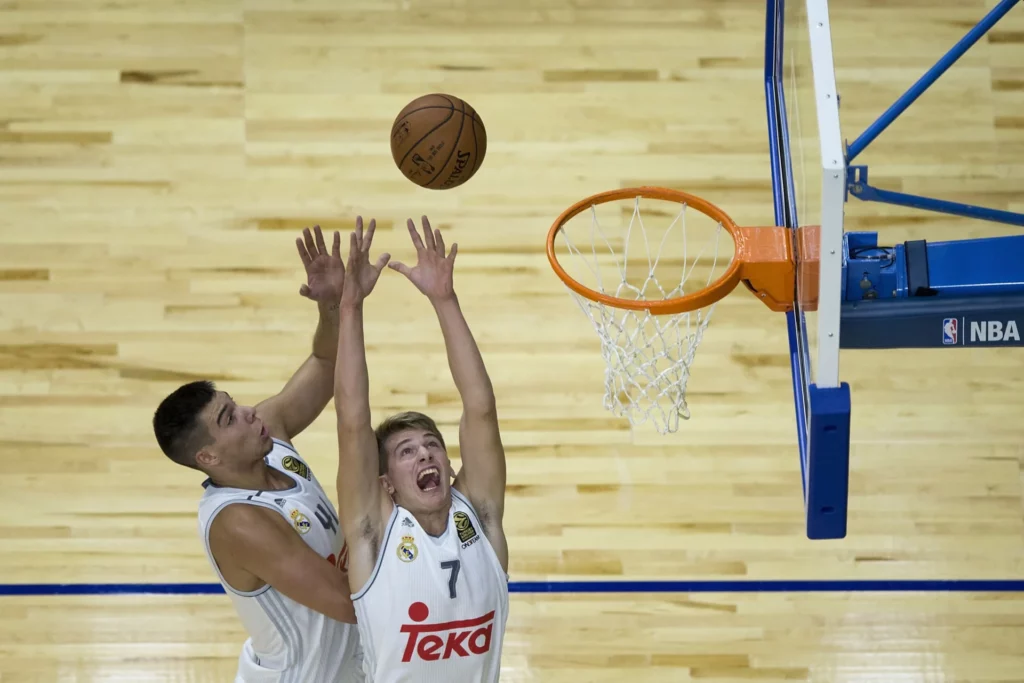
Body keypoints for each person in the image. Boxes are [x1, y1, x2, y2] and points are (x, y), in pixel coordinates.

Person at [151, 225, 371, 683]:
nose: (250, 412)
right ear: (209, 458)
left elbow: (326, 363)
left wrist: (335, 306)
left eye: (234, 404)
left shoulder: (267, 437)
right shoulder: (240, 523)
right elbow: (349, 603)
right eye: (229, 418)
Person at [333, 215, 510, 682]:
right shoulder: (373, 534)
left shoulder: (481, 517)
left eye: (432, 445)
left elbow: (481, 409)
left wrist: (444, 300)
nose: (426, 454)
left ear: (449, 467)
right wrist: (350, 308)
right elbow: (352, 423)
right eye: (407, 451)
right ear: (386, 483)